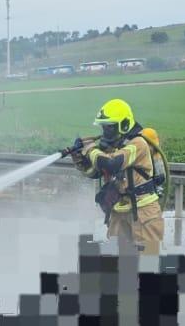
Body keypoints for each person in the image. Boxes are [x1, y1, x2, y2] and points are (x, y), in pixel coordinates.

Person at [70, 97, 164, 252]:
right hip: (118, 211)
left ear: (124, 124)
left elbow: (111, 164)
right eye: (104, 127)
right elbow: (95, 173)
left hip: (144, 211)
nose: (106, 131)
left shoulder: (138, 144)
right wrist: (80, 159)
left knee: (147, 264)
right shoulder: (113, 147)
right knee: (119, 265)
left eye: (110, 127)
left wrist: (91, 150)